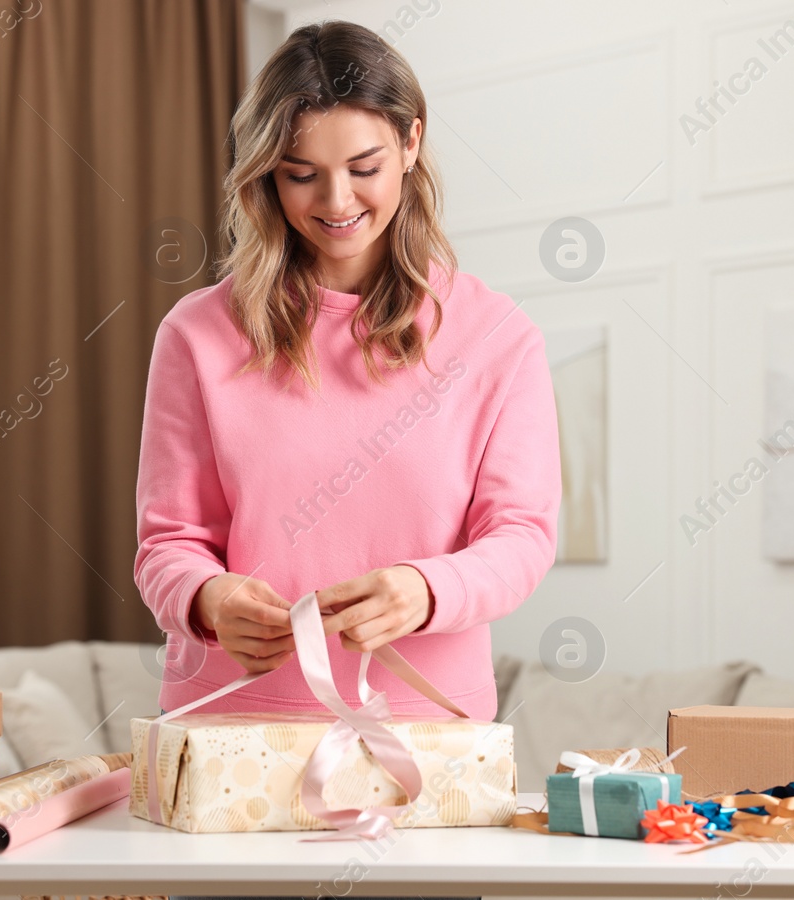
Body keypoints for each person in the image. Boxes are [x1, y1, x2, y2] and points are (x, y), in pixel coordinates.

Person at [133, 19, 561, 900]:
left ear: (411, 141)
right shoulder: (198, 336)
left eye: (364, 166)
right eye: (300, 173)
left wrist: (428, 589)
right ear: (264, 174)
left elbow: (521, 536)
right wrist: (206, 600)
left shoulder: (496, 337)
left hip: (427, 748)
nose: (335, 199)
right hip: (231, 745)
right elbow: (166, 543)